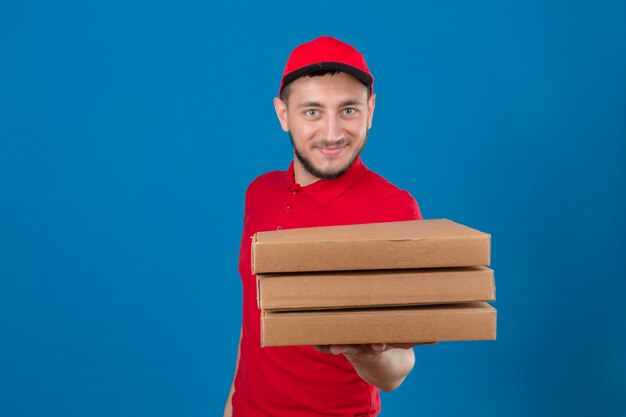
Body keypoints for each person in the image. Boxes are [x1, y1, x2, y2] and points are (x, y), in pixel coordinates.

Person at [224, 36, 430, 417]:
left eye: (348, 110)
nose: (333, 134)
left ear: (371, 109)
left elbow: (398, 368)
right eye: (313, 112)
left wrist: (359, 351)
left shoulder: (391, 208)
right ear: (283, 113)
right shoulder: (260, 193)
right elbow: (251, 325)